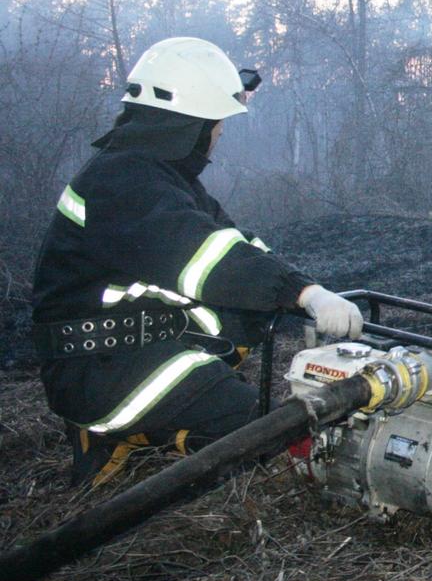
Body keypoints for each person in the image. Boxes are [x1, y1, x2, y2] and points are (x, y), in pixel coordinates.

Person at [30, 36, 365, 487]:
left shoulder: (152, 174)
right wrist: (304, 293)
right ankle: (129, 429)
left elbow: (235, 243)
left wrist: (303, 291)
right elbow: (211, 262)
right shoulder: (123, 183)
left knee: (246, 315)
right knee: (260, 426)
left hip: (121, 345)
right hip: (97, 369)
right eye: (216, 123)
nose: (220, 134)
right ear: (187, 125)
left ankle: (173, 421)